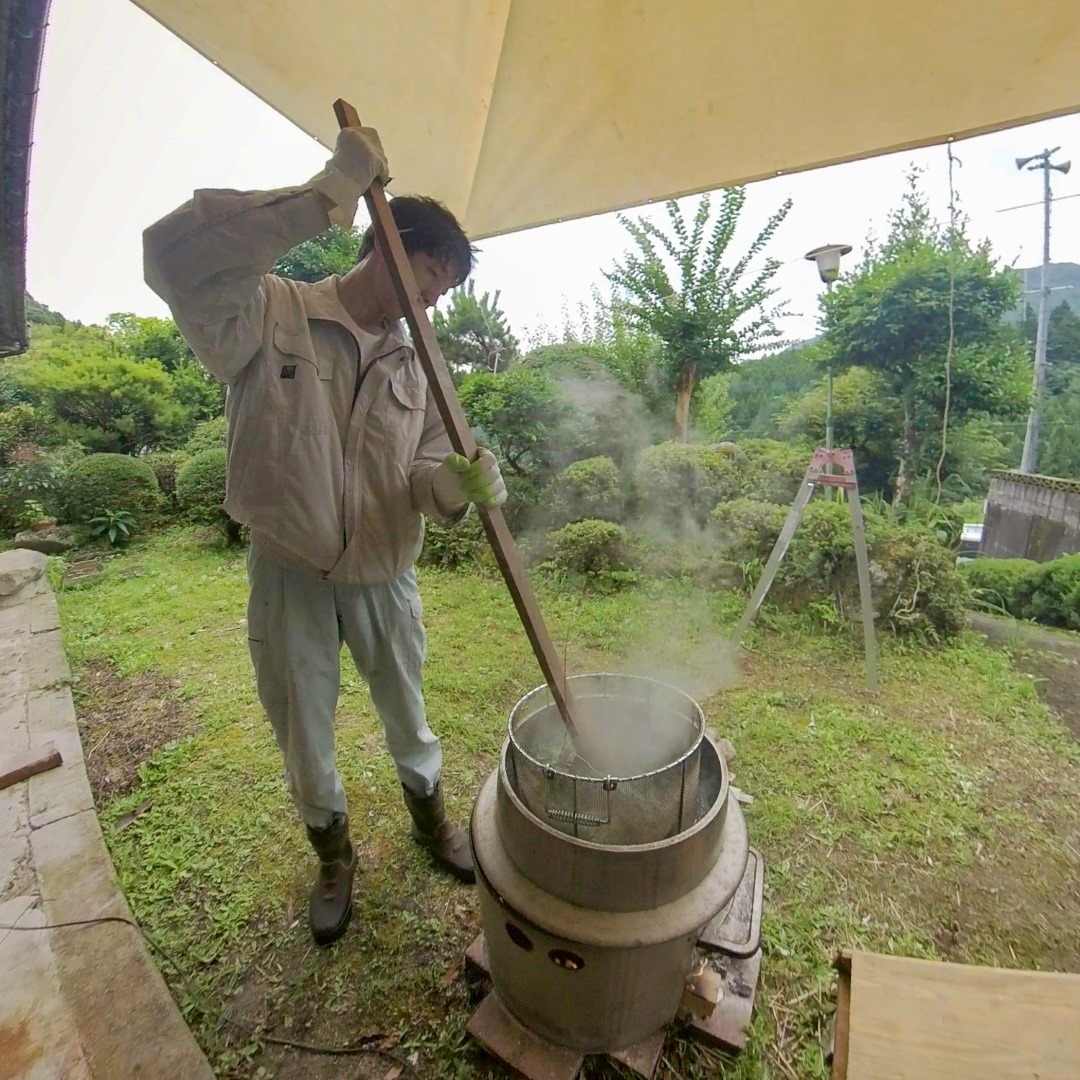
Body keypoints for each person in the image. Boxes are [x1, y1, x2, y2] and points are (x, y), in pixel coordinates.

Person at [143, 125, 506, 946]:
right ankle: (334, 856)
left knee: (408, 714)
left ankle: (431, 823)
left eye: (446, 290)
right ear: (385, 241)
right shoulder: (272, 312)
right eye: (432, 275)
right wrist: (326, 193)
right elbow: (177, 260)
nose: (435, 300)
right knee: (302, 724)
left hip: (385, 573)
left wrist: (462, 481)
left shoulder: (424, 371)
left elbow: (427, 475)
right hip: (290, 570)